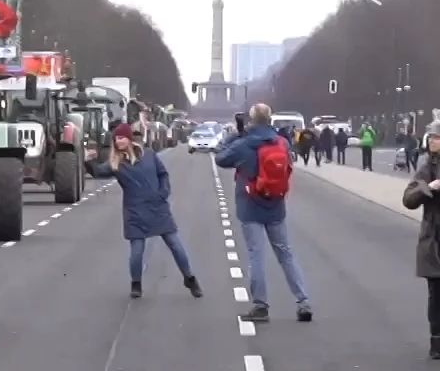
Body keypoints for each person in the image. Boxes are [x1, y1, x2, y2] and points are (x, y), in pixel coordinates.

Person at [215, 103, 314, 323]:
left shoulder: (245, 144)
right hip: (276, 205)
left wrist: (234, 135)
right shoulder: (281, 142)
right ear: (269, 119)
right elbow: (290, 162)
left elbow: (220, 158)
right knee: (286, 255)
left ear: (252, 120)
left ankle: (261, 305)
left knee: (256, 256)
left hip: (250, 205)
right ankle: (303, 300)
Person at [109, 122, 202, 299]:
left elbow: (162, 174)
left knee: (175, 245)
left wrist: (163, 192)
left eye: (120, 138)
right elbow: (98, 171)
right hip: (135, 212)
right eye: (115, 139)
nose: (117, 142)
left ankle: (189, 278)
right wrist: (88, 159)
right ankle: (136, 283)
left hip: (157, 207)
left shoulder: (149, 155)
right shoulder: (117, 164)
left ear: (128, 139)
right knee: (137, 251)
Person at [399, 121, 440, 360]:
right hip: (434, 239)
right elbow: (409, 198)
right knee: (436, 293)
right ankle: (436, 341)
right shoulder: (427, 167)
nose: (432, 141)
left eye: (436, 137)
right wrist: (429, 187)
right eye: (431, 137)